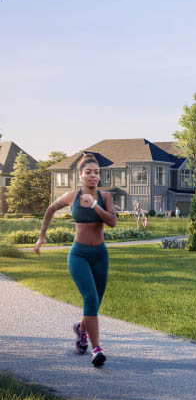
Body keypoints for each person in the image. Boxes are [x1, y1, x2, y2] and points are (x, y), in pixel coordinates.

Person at [34, 154, 117, 368]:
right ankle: (97, 349)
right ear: (80, 175)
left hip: (100, 255)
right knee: (90, 298)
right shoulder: (71, 196)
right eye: (88, 172)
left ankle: (81, 329)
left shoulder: (105, 197)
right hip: (78, 255)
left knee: (95, 303)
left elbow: (112, 222)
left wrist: (95, 205)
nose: (93, 176)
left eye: (96, 172)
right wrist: (42, 236)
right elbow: (50, 210)